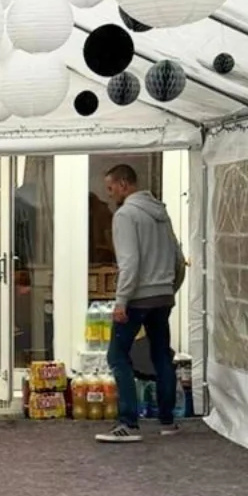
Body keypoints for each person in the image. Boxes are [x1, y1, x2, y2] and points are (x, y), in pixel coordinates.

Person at [96, 164, 185, 443]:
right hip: (163, 296)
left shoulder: (125, 215)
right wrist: (170, 288)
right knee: (161, 356)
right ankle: (168, 421)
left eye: (111, 188)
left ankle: (128, 422)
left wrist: (121, 301)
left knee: (117, 355)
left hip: (137, 297)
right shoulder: (162, 214)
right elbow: (178, 258)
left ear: (124, 184)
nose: (109, 194)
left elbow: (130, 262)